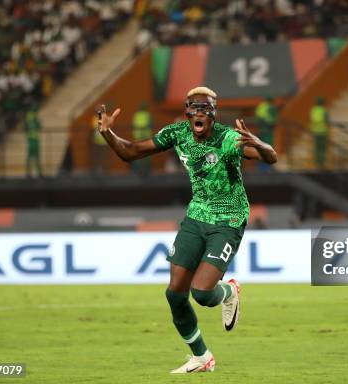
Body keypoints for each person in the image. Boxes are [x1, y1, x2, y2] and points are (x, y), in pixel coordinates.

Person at [96, 86, 277, 373]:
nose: (200, 113)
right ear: (187, 112)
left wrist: (261, 144)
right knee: (175, 294)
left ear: (214, 114)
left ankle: (229, 292)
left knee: (203, 294)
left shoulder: (228, 138)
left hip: (228, 219)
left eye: (206, 108)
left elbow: (270, 157)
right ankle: (201, 357)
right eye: (195, 108)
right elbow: (129, 153)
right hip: (196, 216)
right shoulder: (177, 133)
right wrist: (107, 133)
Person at [254, 96, 277, 172]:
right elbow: (272, 120)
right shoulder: (270, 108)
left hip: (260, 130)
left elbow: (257, 117)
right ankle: (267, 167)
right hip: (267, 130)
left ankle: (260, 167)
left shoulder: (261, 106)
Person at [131, 102, 153, 176]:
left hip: (138, 137)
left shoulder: (136, 115)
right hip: (146, 137)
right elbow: (151, 124)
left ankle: (138, 171)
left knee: (138, 154)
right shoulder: (148, 115)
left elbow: (133, 125)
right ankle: (145, 171)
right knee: (146, 154)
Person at [310, 97, 329, 169]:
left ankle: (316, 163)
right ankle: (322, 163)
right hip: (323, 132)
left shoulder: (313, 110)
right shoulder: (324, 111)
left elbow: (312, 119)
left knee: (316, 148)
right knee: (322, 148)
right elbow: (327, 121)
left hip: (315, 131)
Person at [25, 104, 42, 177]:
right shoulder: (33, 116)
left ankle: (28, 172)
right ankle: (38, 172)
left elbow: (25, 127)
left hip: (30, 138)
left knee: (30, 157)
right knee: (36, 156)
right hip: (34, 139)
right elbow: (39, 126)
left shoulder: (28, 116)